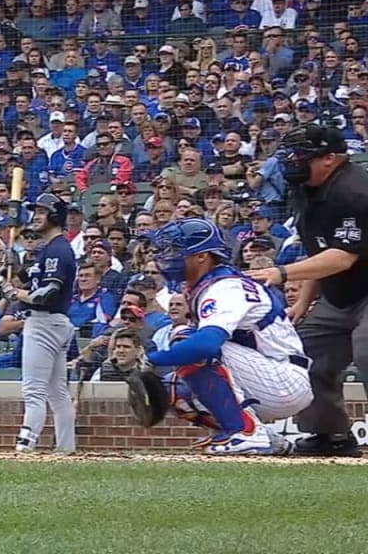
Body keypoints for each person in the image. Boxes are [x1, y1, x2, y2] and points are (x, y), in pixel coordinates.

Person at [247, 124, 368, 457]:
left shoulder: (355, 190)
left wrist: (282, 272)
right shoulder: (307, 189)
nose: (291, 162)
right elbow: (320, 250)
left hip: (357, 282)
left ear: (330, 158)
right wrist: (303, 301)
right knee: (306, 353)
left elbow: (342, 256)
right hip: (343, 292)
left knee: (367, 348)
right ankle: (330, 435)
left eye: (300, 156)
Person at [146, 218, 312, 455]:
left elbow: (206, 344)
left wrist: (154, 358)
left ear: (202, 256)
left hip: (282, 378)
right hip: (264, 376)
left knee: (188, 341)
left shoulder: (225, 287)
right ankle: (264, 436)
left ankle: (245, 433)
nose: (166, 256)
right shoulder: (210, 284)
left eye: (175, 250)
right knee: (174, 388)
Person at [0, 193, 78, 453]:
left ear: (55, 215)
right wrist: (12, 267)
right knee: (57, 393)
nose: (36, 216)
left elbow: (47, 293)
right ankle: (66, 448)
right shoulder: (50, 249)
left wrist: (14, 294)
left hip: (45, 323)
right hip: (54, 323)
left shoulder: (58, 249)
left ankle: (25, 445)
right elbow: (32, 278)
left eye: (42, 212)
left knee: (34, 391)